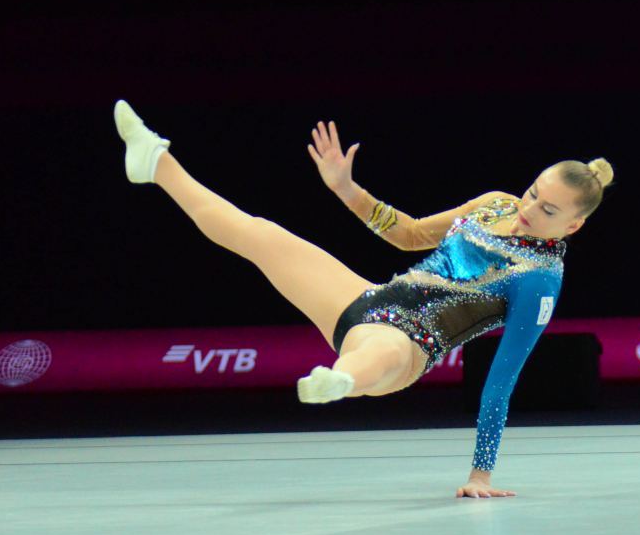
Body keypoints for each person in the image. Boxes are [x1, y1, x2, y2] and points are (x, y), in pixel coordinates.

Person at [112, 101, 611, 498]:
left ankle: (342, 381)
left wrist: (480, 473)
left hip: (411, 346)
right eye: (532, 192)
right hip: (371, 299)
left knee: (379, 349)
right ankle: (156, 163)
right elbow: (410, 234)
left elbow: (503, 376)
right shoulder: (495, 204)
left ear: (573, 225)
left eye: (547, 210)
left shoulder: (540, 280)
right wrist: (346, 189)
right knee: (261, 235)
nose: (528, 208)